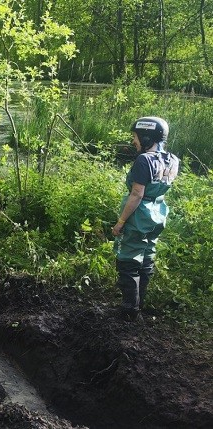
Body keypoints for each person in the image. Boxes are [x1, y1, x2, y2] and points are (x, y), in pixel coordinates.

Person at [111, 117, 179, 322]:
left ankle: (129, 311)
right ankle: (139, 305)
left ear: (147, 137)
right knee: (147, 257)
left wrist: (121, 222)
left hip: (140, 215)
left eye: (136, 137)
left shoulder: (144, 160)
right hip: (158, 212)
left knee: (129, 260)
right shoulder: (173, 159)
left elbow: (137, 194)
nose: (134, 141)